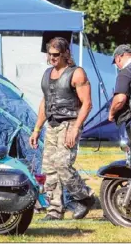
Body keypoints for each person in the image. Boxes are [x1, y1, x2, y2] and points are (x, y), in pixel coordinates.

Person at [29, 37, 95, 221]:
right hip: (52, 125)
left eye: (56, 55)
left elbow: (87, 104)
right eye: (50, 54)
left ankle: (85, 196)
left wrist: (75, 129)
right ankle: (54, 211)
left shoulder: (77, 73)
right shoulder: (47, 74)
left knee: (63, 165)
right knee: (49, 169)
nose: (52, 58)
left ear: (66, 54)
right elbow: (45, 103)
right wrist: (36, 129)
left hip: (69, 124)